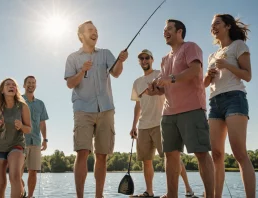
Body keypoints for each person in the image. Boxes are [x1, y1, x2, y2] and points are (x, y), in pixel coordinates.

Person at [149, 19, 215, 198]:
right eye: (164, 29)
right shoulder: (164, 59)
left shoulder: (190, 47)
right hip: (168, 113)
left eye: (169, 28)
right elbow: (165, 86)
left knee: (201, 153)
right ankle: (172, 195)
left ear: (180, 32)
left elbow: (194, 71)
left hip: (192, 108)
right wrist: (156, 90)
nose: (165, 32)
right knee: (170, 155)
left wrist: (169, 79)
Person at [64, 20, 128, 198]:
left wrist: (120, 61)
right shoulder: (73, 58)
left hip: (106, 109)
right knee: (82, 152)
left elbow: (116, 73)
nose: (95, 33)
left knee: (102, 155)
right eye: (91, 30)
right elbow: (70, 83)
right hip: (83, 109)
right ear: (81, 35)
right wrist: (82, 71)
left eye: (96, 30)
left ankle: (99, 196)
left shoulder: (106, 53)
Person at [130, 49, 194, 197]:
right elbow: (138, 105)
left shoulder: (160, 74)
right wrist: (134, 125)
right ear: (139, 61)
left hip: (162, 121)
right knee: (146, 160)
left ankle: (188, 189)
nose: (144, 61)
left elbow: (170, 91)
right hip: (143, 125)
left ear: (152, 60)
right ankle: (149, 191)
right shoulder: (137, 82)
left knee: (172, 157)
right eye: (141, 59)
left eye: (147, 58)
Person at [204, 14, 255, 198]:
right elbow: (204, 84)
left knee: (239, 152)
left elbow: (247, 75)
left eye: (217, 23)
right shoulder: (212, 55)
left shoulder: (239, 45)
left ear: (227, 26)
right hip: (214, 102)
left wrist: (227, 65)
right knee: (216, 154)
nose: (213, 27)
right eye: (211, 25)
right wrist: (208, 77)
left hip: (235, 98)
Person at [0, 78, 31, 198]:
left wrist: (21, 126)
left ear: (16, 89)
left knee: (15, 177)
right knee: (0, 184)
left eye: (13, 85)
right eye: (8, 84)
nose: (11, 86)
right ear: (2, 90)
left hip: (16, 145)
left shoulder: (22, 106)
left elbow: (28, 129)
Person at [21, 76, 49, 198]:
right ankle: (21, 189)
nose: (31, 85)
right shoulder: (19, 101)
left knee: (33, 171)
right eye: (28, 83)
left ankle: (30, 196)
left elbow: (42, 123)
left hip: (36, 141)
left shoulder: (40, 103)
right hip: (20, 141)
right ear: (24, 85)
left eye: (33, 83)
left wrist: (45, 139)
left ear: (36, 86)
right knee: (17, 172)